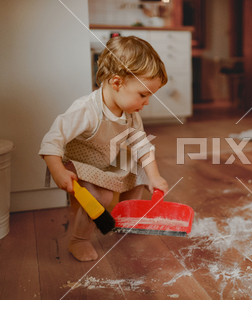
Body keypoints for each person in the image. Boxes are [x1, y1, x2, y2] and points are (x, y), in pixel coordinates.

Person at [39, 36, 169, 262]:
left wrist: (154, 177)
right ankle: (79, 240)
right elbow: (51, 140)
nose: (147, 102)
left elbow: (141, 145)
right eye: (143, 94)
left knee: (137, 170)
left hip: (107, 159)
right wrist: (58, 170)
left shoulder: (131, 113)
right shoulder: (86, 109)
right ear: (117, 82)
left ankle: (125, 221)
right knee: (101, 196)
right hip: (81, 164)